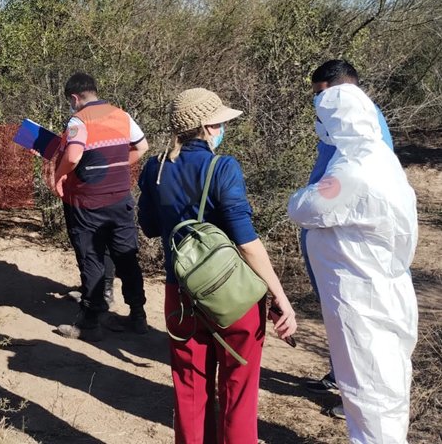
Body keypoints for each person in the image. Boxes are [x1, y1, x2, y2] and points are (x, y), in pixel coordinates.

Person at [137, 88, 296, 444]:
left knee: (190, 392)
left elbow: (149, 227)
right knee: (238, 393)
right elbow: (247, 243)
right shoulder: (222, 167)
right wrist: (279, 296)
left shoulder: (154, 170)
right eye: (222, 122)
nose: (224, 127)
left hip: (180, 295)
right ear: (208, 127)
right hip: (235, 298)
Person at [288, 84, 418, 444]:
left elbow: (304, 207)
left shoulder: (352, 170)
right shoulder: (380, 158)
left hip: (361, 297)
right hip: (382, 287)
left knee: (368, 389)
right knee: (385, 384)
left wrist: (301, 195)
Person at [303, 60, 394, 408]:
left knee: (355, 313)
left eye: (321, 94)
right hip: (325, 229)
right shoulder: (336, 124)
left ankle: (358, 397)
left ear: (342, 88)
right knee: (337, 310)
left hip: (344, 236)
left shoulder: (363, 127)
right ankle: (340, 375)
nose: (317, 103)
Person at [52, 72, 149, 341]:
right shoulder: (121, 115)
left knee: (91, 257)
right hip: (121, 198)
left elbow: (72, 157)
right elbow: (142, 146)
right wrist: (115, 168)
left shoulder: (78, 119)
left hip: (88, 201)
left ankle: (90, 322)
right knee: (126, 256)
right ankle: (138, 316)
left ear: (74, 97)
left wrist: (59, 175)